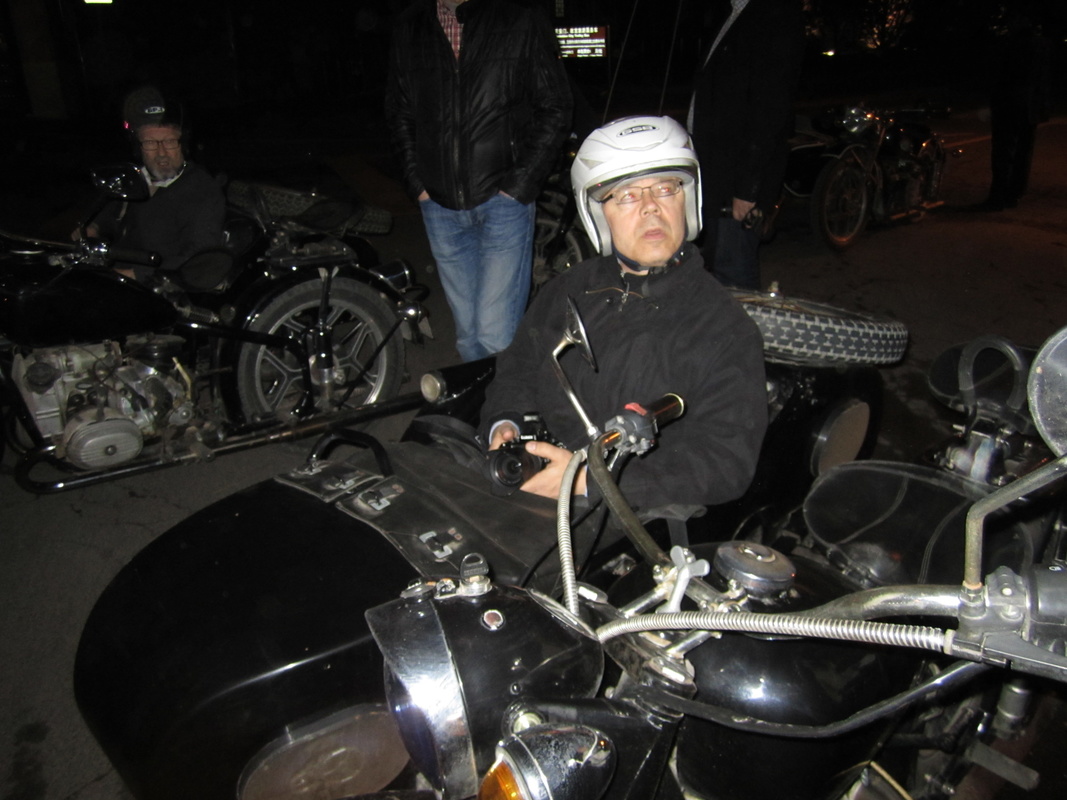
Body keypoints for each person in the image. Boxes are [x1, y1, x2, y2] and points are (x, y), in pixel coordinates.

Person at [482, 116, 768, 512]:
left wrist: (591, 481)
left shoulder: (725, 328)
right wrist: (506, 423)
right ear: (600, 216)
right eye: (628, 195)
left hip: (629, 508)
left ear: (687, 200)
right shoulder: (570, 289)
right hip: (539, 475)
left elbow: (725, 462)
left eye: (665, 189)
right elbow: (519, 365)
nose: (651, 208)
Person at [385, 0, 572, 362]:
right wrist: (418, 185)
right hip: (439, 204)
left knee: (495, 334)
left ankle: (509, 398)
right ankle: (489, 397)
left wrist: (519, 186)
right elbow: (399, 113)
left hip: (504, 201)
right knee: (468, 336)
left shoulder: (518, 16)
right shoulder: (411, 26)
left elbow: (556, 105)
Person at [688, 0, 804, 290]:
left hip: (737, 184)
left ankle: (743, 322)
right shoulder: (732, 14)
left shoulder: (774, 16)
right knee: (715, 273)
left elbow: (769, 111)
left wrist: (747, 190)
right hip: (716, 174)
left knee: (734, 276)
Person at [86, 85, 225, 281]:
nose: (161, 153)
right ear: (138, 146)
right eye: (150, 143)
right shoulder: (135, 178)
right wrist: (92, 229)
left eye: (169, 141)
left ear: (183, 144)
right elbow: (107, 216)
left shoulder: (202, 190)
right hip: (112, 271)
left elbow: (199, 257)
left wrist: (135, 275)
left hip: (158, 284)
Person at [979, 8, 1052, 211]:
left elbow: (1003, 75)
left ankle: (998, 196)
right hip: (1031, 106)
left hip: (1010, 103)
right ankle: (1014, 193)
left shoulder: (1012, 44)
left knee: (1004, 152)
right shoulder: (1043, 44)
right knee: (1023, 152)